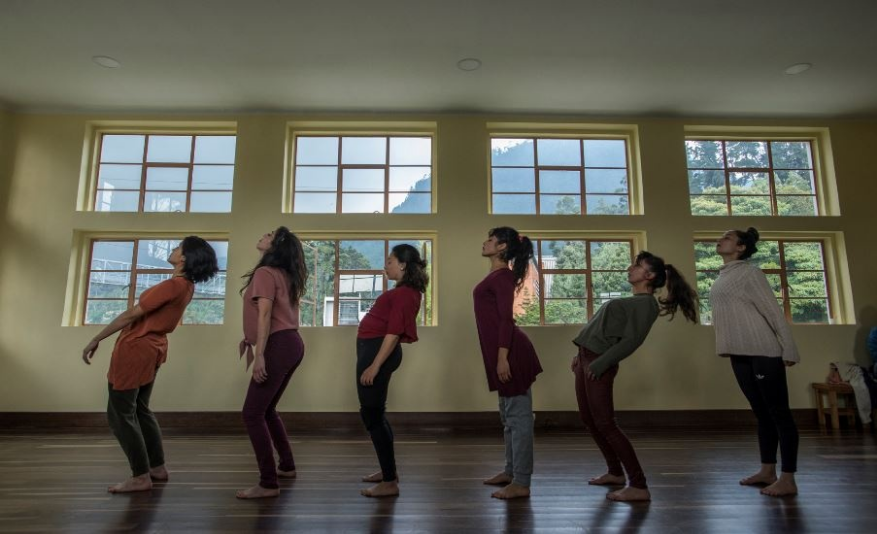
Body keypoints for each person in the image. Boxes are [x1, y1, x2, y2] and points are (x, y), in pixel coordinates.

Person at [81, 236, 219, 493]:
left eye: (178, 247)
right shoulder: (186, 286)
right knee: (140, 409)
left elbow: (132, 313)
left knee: (119, 413)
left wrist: (96, 338)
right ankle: (156, 468)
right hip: (152, 348)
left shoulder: (173, 285)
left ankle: (140, 476)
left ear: (185, 258)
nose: (174, 249)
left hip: (137, 349)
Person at [571, 251, 698, 502]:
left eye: (638, 266)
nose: (631, 268)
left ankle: (638, 485)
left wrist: (599, 364)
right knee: (589, 419)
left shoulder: (646, 305)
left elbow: (632, 341)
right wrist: (580, 356)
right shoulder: (634, 301)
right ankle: (615, 472)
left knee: (606, 424)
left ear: (649, 276)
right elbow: (601, 330)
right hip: (587, 359)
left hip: (598, 363)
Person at [710, 227, 800, 497]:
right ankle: (767, 470)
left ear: (740, 247)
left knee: (779, 414)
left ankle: (788, 478)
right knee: (761, 414)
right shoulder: (725, 275)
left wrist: (789, 348)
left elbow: (772, 310)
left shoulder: (750, 273)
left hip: (763, 351)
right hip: (740, 353)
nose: (720, 239)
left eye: (727, 236)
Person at [235, 227, 308, 499]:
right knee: (267, 411)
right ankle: (286, 466)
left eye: (268, 234)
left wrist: (261, 354)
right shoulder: (283, 274)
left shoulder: (265, 273)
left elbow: (265, 316)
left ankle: (268, 483)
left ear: (275, 245)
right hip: (292, 343)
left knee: (252, 414)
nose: (262, 235)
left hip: (278, 345)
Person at [474, 227, 543, 500]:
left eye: (491, 240)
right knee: (508, 418)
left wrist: (502, 358)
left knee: (519, 418)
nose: (485, 242)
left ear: (502, 248)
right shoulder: (495, 275)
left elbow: (506, 319)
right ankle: (511, 471)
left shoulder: (502, 277)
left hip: (512, 353)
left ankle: (522, 482)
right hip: (504, 352)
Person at [356, 244, 428, 498]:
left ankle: (389, 481)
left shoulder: (405, 293)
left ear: (403, 265)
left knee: (372, 415)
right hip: (373, 349)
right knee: (375, 414)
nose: (385, 265)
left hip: (378, 352)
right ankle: (389, 472)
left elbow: (394, 332)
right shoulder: (403, 291)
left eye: (389, 261)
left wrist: (374, 365)